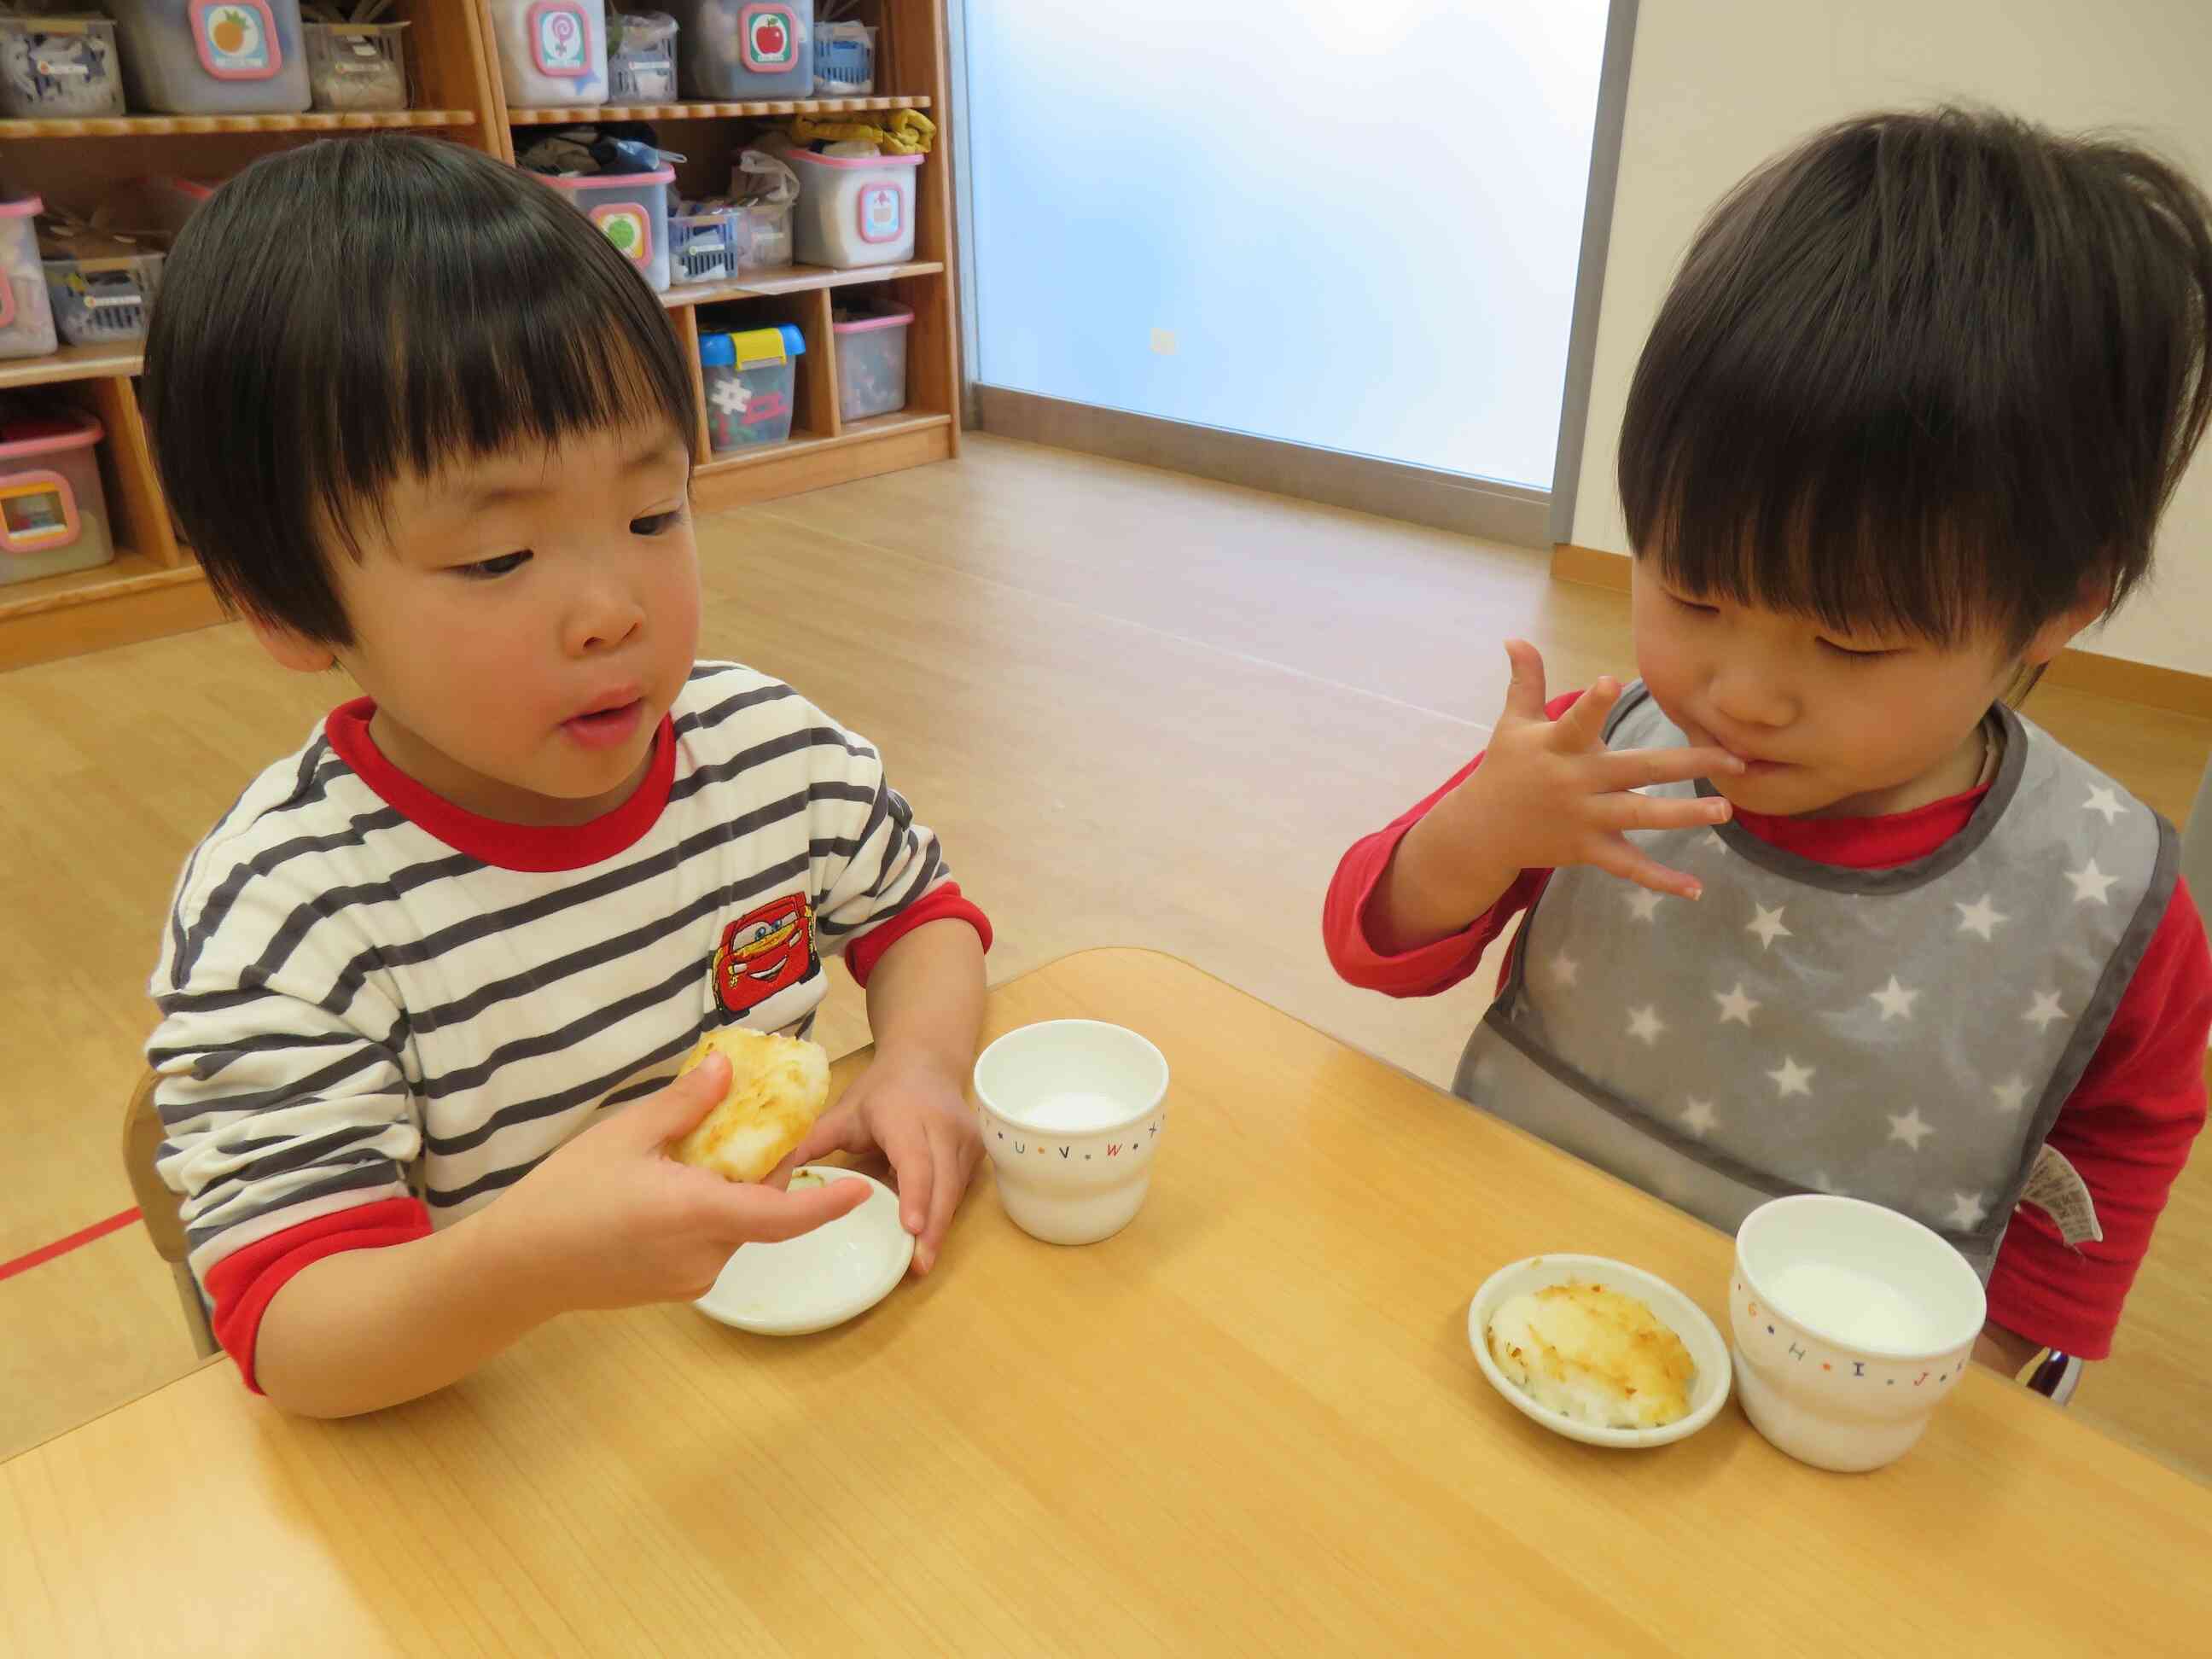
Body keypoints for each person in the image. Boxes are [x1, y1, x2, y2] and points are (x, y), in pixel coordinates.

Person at [1324, 108, 2212, 1377]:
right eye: (1693, 592)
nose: (1742, 694)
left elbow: (2124, 1134)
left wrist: (2008, 1353)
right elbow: (1374, 943)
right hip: (1523, 1299)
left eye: (1849, 643)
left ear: (2059, 609)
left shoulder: (2101, 892)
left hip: (1831, 1382)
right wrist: (1483, 833)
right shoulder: (1602, 758)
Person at [143, 135, 992, 1417]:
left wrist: (920, 1062)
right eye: (497, 559)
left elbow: (921, 916)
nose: (612, 611)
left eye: (653, 516)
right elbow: (294, 1333)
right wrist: (524, 1264)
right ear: (286, 604)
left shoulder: (764, 751)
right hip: (511, 1415)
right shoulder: (292, 919)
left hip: (777, 1384)